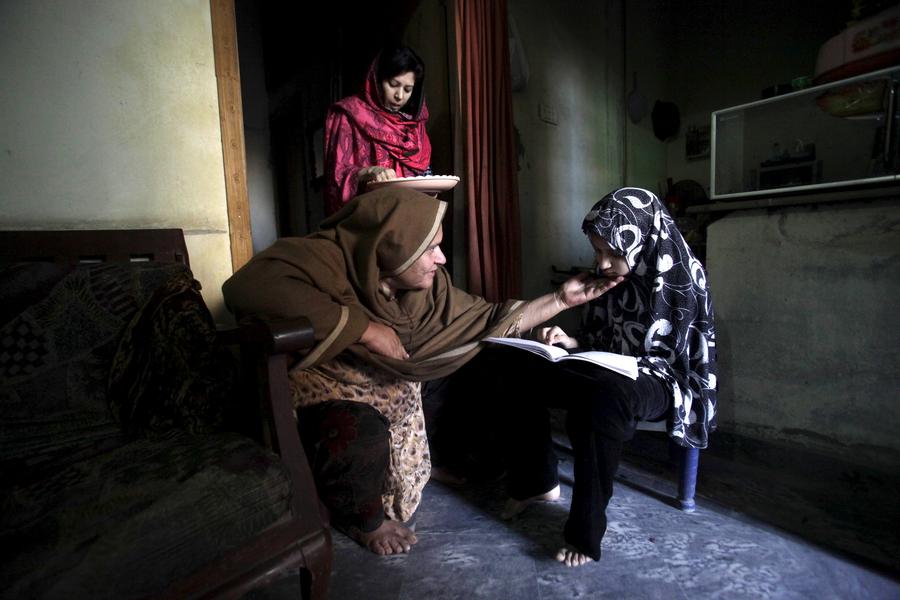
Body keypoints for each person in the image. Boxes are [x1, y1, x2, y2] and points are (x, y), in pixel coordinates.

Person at [221, 187, 622, 556]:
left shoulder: (430, 288)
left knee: (495, 363)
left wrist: (560, 298)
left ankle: (454, 462)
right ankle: (365, 521)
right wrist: (365, 329)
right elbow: (246, 287)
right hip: (333, 386)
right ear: (391, 248)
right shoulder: (326, 258)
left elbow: (488, 320)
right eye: (431, 249)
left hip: (401, 380)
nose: (442, 259)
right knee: (353, 432)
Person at [488, 187, 717, 567]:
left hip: (663, 379)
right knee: (516, 365)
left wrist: (614, 359)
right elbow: (600, 340)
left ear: (642, 237)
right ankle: (537, 483)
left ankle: (584, 533)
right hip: (606, 366)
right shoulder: (609, 278)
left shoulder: (684, 277)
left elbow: (685, 359)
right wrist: (568, 341)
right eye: (598, 251)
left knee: (602, 399)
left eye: (613, 252)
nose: (603, 263)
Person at [323, 45, 432, 216]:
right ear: (376, 79)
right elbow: (335, 178)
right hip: (369, 220)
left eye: (408, 89)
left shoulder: (414, 125)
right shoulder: (350, 115)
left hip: (412, 217)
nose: (399, 96)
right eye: (393, 84)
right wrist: (369, 171)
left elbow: (425, 174)